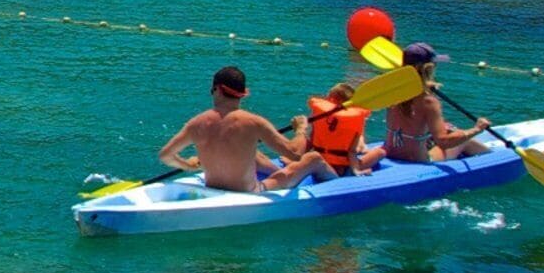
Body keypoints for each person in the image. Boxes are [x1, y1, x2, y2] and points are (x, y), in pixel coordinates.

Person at [160, 67, 299, 192]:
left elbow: (165, 156)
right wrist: (301, 130)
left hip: (212, 188)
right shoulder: (254, 122)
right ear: (244, 93)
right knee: (312, 158)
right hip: (250, 191)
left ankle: (277, 169)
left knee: (251, 152)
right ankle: (318, 174)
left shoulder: (196, 123)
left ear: (217, 90)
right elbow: (295, 154)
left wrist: (188, 165)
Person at [376, 45, 492, 164]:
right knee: (465, 140)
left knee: (448, 129)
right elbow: (443, 142)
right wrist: (476, 129)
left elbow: (410, 120)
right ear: (428, 68)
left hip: (391, 152)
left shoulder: (392, 92)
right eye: (434, 65)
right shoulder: (429, 101)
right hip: (417, 159)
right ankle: (494, 159)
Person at [275, 78, 382, 186]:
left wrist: (295, 159)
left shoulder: (320, 115)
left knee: (312, 154)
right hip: (339, 172)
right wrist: (356, 171)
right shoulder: (355, 119)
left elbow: (311, 141)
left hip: (325, 167)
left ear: (331, 98)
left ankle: (296, 164)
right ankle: (363, 153)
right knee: (381, 152)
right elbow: (351, 152)